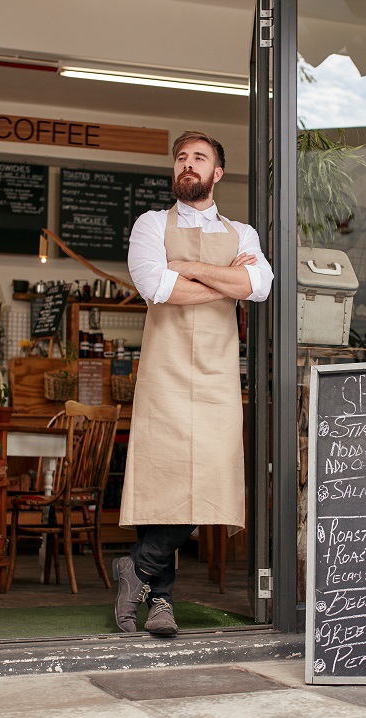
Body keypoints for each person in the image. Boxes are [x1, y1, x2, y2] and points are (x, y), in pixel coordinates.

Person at [115, 130, 273, 637]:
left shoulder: (243, 232)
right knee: (161, 480)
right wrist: (223, 282)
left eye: (199, 158)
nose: (188, 164)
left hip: (217, 377)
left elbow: (261, 286)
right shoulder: (149, 224)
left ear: (217, 173)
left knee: (208, 477)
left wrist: (187, 269)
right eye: (181, 158)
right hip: (164, 374)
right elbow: (157, 287)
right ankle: (161, 601)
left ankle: (135, 568)